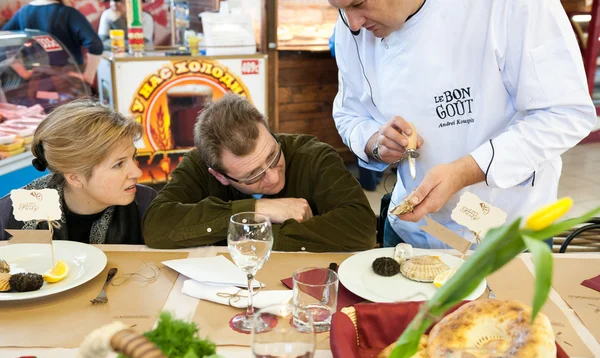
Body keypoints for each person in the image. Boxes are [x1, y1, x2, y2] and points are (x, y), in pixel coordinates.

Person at [330, 0, 596, 248]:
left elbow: (566, 113)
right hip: (411, 233)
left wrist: (466, 170)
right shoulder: (351, 26)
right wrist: (375, 142)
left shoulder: (512, 6)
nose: (353, 23)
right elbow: (348, 114)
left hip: (505, 236)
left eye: (358, 3)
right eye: (339, 8)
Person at [143, 94, 376, 252]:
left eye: (273, 156)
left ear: (268, 130)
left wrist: (250, 235)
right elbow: (157, 226)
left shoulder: (314, 156)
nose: (273, 177)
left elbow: (361, 229)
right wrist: (257, 211)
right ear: (220, 176)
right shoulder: (198, 165)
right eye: (253, 175)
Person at [0, 100, 157, 244]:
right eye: (118, 164)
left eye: (133, 157)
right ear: (74, 178)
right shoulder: (9, 215)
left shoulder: (147, 204)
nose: (137, 172)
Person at [1, 0, 103, 86]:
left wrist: (22, 72)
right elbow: (95, 44)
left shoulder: (23, 12)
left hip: (37, 77)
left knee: (42, 109)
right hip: (68, 77)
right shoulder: (68, 13)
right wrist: (89, 76)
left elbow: (4, 42)